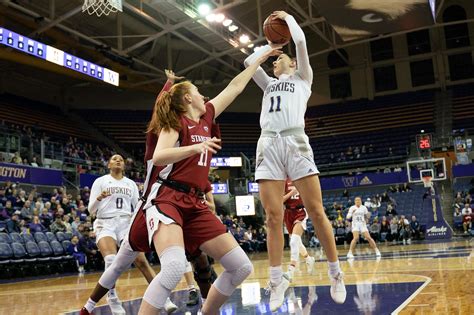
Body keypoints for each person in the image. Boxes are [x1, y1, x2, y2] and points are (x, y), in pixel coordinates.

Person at [130, 49, 278, 315]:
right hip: (167, 198)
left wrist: (258, 61)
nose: (204, 96)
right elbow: (159, 154)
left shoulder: (207, 115)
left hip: (194, 202)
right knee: (174, 266)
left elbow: (235, 87)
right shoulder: (175, 123)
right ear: (188, 97)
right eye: (198, 91)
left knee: (241, 266)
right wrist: (193, 149)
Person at [243, 10, 346, 310]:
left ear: (294, 63)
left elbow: (300, 40)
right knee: (273, 217)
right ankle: (276, 281)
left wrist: (288, 18)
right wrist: (268, 49)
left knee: (316, 211)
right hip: (268, 144)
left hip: (295, 141)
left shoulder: (303, 77)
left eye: (280, 57)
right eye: (275, 59)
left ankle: (335, 273)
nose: (276, 61)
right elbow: (249, 63)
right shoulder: (268, 84)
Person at [86, 154, 171, 314]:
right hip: (105, 222)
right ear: (108, 165)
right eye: (114, 159)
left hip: (126, 222)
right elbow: (91, 209)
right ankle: (112, 298)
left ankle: (162, 298)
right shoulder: (100, 181)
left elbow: (137, 207)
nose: (118, 160)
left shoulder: (130, 184)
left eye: (121, 159)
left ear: (124, 166)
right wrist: (99, 198)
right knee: (110, 260)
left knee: (142, 261)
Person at [283, 179, 315, 281]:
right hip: (288, 213)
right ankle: (308, 259)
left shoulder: (302, 178)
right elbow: (280, 200)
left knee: (293, 242)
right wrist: (291, 193)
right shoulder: (283, 181)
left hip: (300, 211)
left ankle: (291, 271)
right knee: (297, 242)